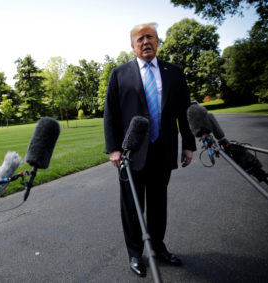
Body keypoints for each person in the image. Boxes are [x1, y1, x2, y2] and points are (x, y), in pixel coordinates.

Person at [103, 22, 196, 278]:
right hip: (131, 153)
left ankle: (158, 247)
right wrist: (113, 149)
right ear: (132, 45)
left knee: (158, 205)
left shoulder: (174, 72)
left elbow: (184, 112)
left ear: (158, 42)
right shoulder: (119, 74)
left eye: (151, 37)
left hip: (163, 150)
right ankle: (135, 253)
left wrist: (188, 144)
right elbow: (110, 114)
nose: (146, 42)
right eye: (140, 38)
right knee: (132, 206)